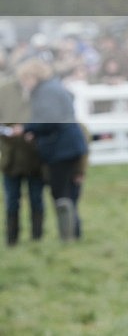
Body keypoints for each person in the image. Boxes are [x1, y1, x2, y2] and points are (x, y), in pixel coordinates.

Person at [12, 58, 87, 242]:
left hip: (61, 148)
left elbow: (48, 120)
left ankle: (68, 235)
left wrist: (27, 128)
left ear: (32, 76)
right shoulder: (54, 88)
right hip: (69, 144)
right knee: (69, 193)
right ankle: (73, 233)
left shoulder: (45, 91)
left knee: (60, 192)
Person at [1, 76, 45, 245]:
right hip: (11, 162)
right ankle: (12, 240)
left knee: (36, 199)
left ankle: (37, 238)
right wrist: (9, 131)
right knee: (12, 201)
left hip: (34, 160)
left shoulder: (39, 99)